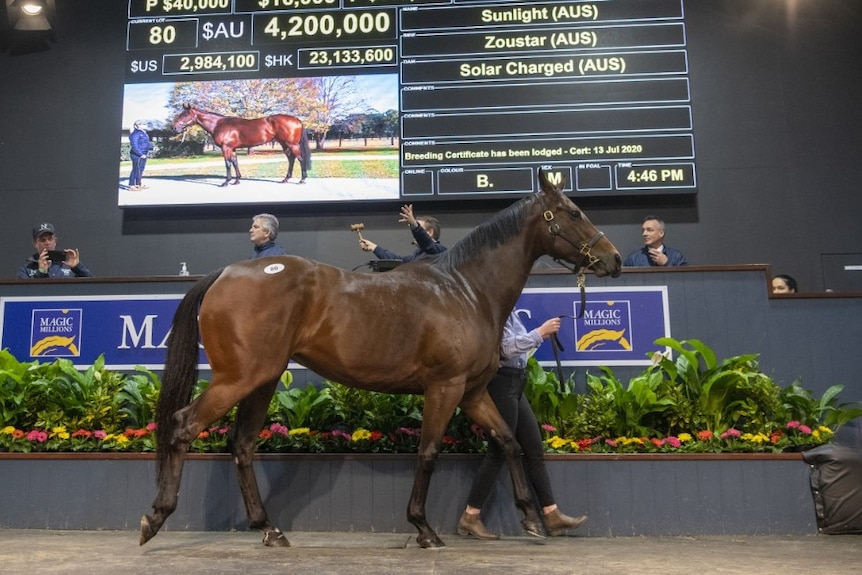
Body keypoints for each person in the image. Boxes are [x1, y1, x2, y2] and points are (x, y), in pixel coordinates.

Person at [458, 311, 588, 540]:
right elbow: (504, 349)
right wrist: (540, 333)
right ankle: (470, 516)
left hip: (517, 382)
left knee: (534, 449)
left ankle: (551, 514)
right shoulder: (494, 313)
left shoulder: (510, 312)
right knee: (498, 450)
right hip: (501, 382)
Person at [358, 204, 446, 262]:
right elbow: (397, 261)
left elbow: (427, 244)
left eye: (420, 227)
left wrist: (414, 225)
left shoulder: (439, 252)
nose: (414, 234)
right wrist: (374, 247)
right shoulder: (417, 256)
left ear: (430, 232)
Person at [17, 222, 93, 279]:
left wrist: (77, 267)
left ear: (55, 241)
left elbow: (92, 287)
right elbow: (25, 293)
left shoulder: (68, 264)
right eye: (43, 240)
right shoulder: (26, 269)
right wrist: (41, 272)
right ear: (35, 243)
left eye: (50, 239)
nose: (47, 243)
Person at [623, 215, 688, 267]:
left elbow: (686, 280)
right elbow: (625, 281)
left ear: (661, 233)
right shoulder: (633, 259)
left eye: (649, 230)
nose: (644, 234)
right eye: (643, 230)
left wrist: (667, 264)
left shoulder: (676, 256)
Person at [128, 119, 154, 191]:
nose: (145, 125)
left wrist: (153, 148)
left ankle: (138, 184)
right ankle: (131, 185)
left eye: (145, 124)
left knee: (140, 169)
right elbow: (134, 146)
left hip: (143, 154)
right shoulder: (135, 134)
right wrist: (141, 154)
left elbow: (146, 144)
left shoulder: (143, 133)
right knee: (135, 169)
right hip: (137, 155)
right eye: (143, 124)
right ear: (137, 125)